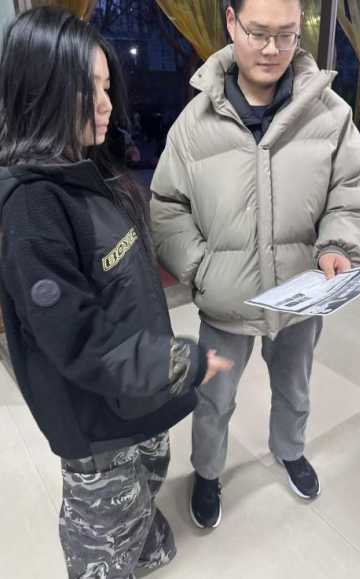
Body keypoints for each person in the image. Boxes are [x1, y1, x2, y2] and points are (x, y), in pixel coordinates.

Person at [0, 7, 232, 578]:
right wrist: (178, 362)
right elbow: (77, 338)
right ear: (41, 90)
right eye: (89, 89)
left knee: (145, 489)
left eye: (107, 87)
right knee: (104, 535)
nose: (105, 104)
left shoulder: (90, 171)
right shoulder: (32, 208)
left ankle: (141, 544)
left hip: (137, 393)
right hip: (97, 418)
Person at [151, 0, 360, 530]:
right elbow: (166, 206)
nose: (273, 49)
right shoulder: (193, 124)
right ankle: (207, 472)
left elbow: (351, 193)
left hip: (301, 297)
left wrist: (340, 248)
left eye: (287, 34)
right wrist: (200, 268)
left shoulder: (330, 115)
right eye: (258, 33)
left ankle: (289, 450)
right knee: (213, 398)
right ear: (231, 23)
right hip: (224, 302)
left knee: (295, 389)